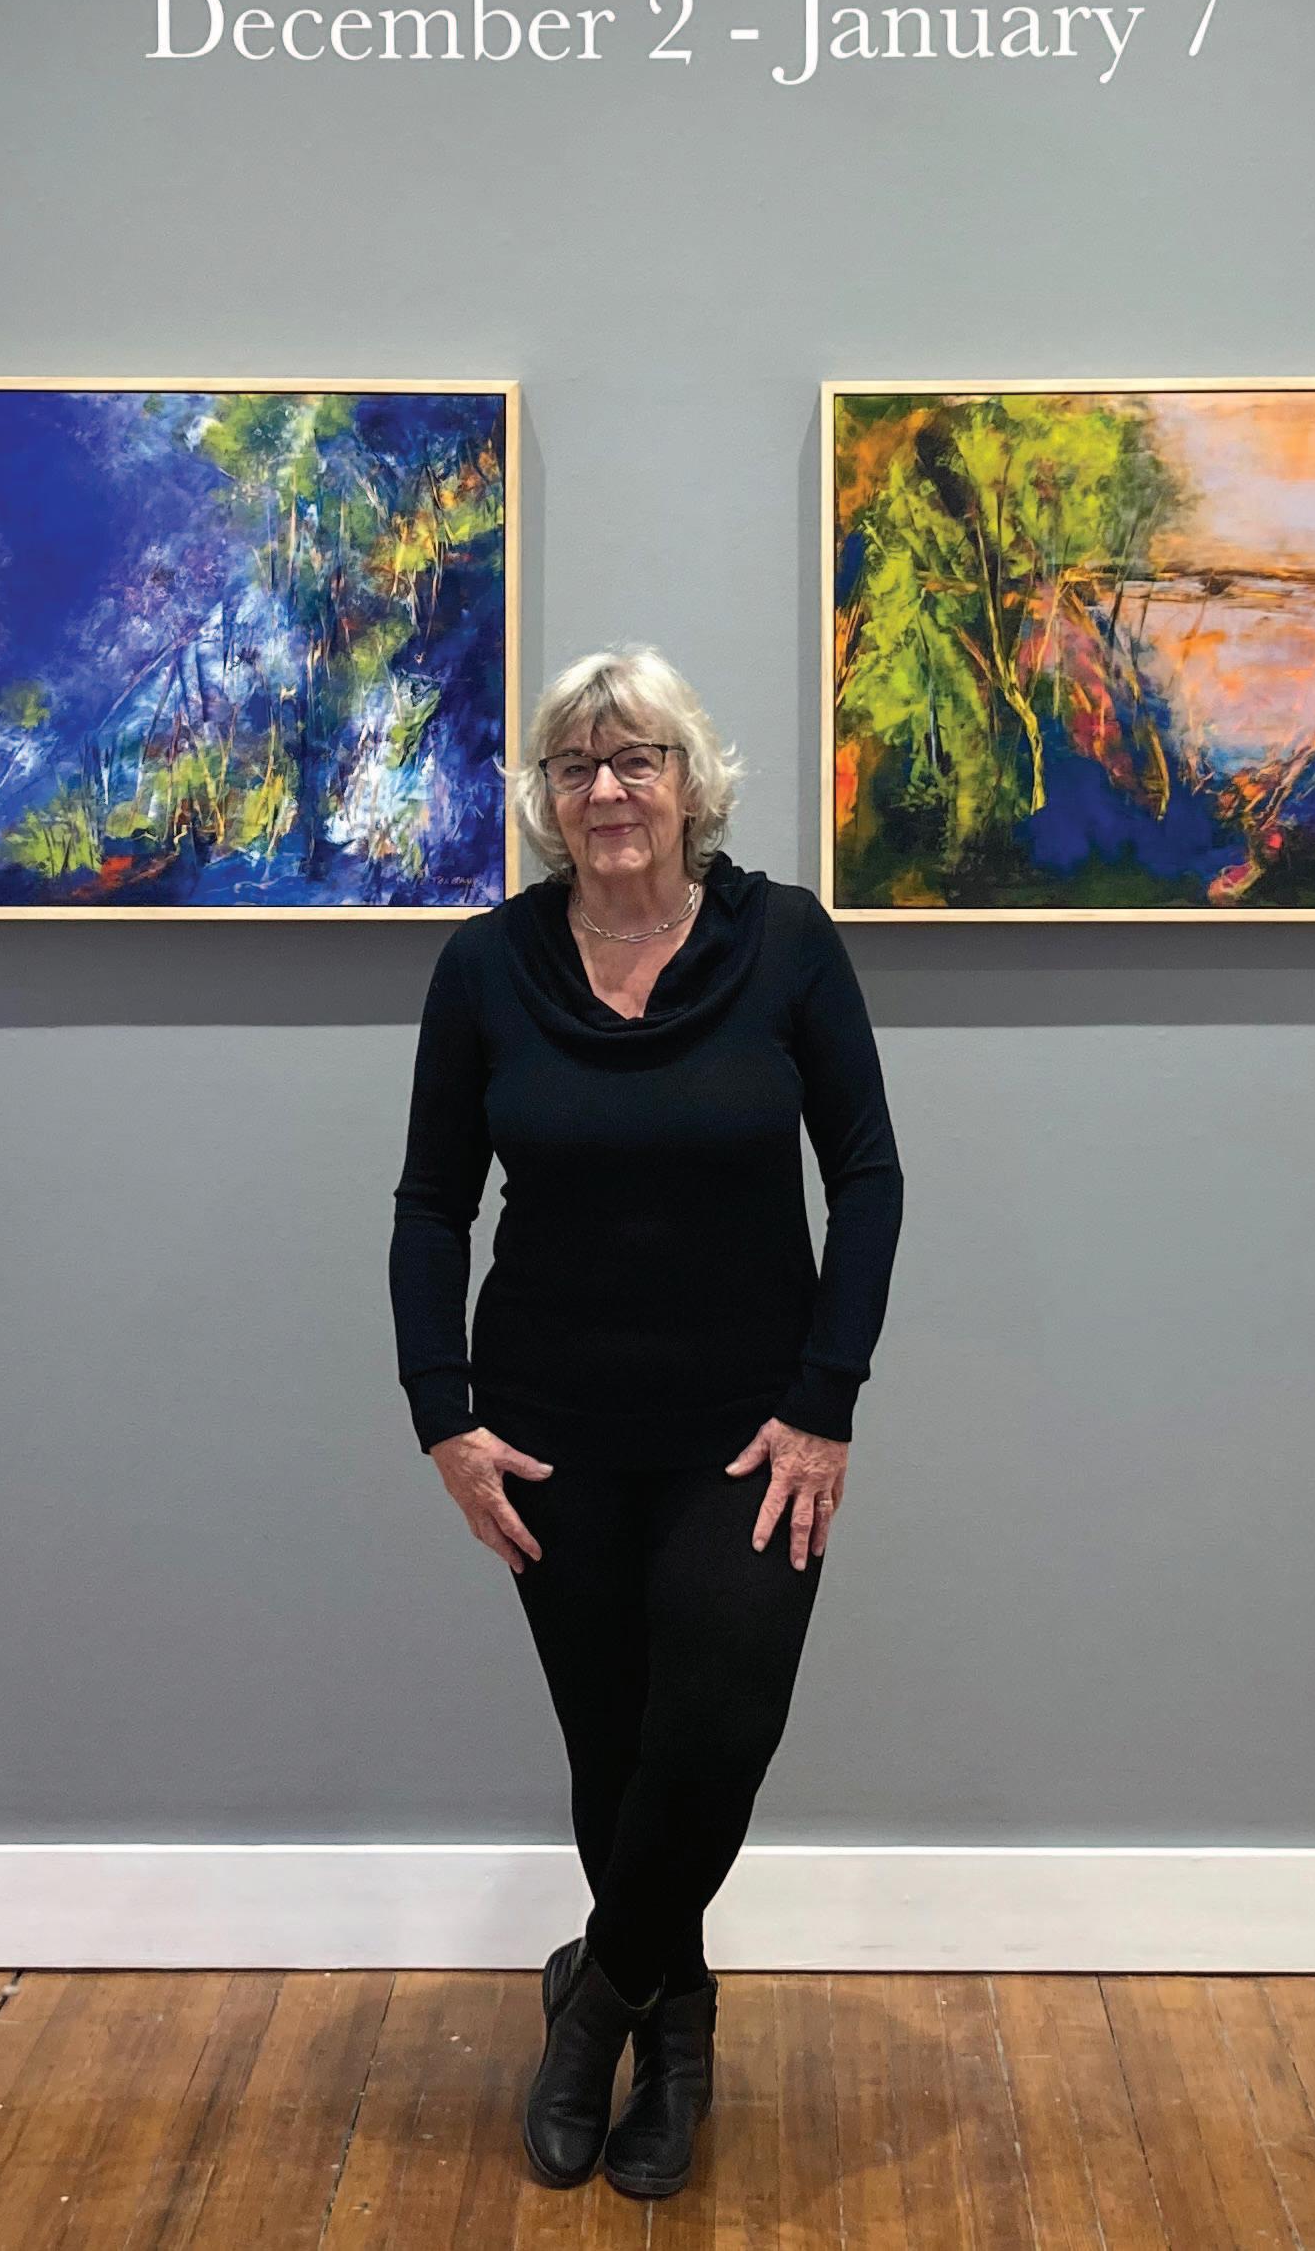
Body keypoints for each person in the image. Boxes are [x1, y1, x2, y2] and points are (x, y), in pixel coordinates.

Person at [388, 644, 904, 2199]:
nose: (607, 788)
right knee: (616, 1750)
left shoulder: (786, 945)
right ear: (547, 797)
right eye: (577, 765)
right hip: (549, 1434)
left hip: (751, 1434)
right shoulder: (487, 968)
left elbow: (869, 1175)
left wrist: (826, 1401)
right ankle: (678, 2033)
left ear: (690, 780)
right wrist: (441, 1414)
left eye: (638, 758)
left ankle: (596, 2003)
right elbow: (430, 1204)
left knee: (716, 1729)